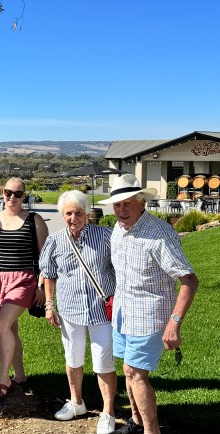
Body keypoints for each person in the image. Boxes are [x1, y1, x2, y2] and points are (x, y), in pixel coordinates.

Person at [97, 174, 199, 434]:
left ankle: (151, 431)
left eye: (127, 204)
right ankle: (137, 422)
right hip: (123, 312)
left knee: (135, 372)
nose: (121, 210)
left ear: (142, 202)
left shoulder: (159, 235)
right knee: (127, 369)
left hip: (150, 315)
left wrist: (174, 324)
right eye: (117, 205)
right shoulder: (118, 230)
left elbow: (189, 280)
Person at [39, 190, 117, 434]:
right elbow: (49, 275)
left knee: (104, 362)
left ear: (87, 213)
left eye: (79, 213)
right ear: (63, 216)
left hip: (101, 311)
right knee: (72, 359)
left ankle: (108, 412)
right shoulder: (55, 241)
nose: (74, 218)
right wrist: (49, 305)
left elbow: (120, 268)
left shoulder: (105, 235)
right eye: (69, 213)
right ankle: (76, 402)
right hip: (70, 311)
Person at [0, 177, 48, 401]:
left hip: (24, 279)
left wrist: (41, 285)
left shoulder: (35, 220)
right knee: (10, 329)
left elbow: (45, 257)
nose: (12, 197)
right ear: (2, 192)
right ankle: (20, 375)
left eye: (18, 193)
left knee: (1, 324)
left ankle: (3, 379)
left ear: (24, 196)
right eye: (8, 192)